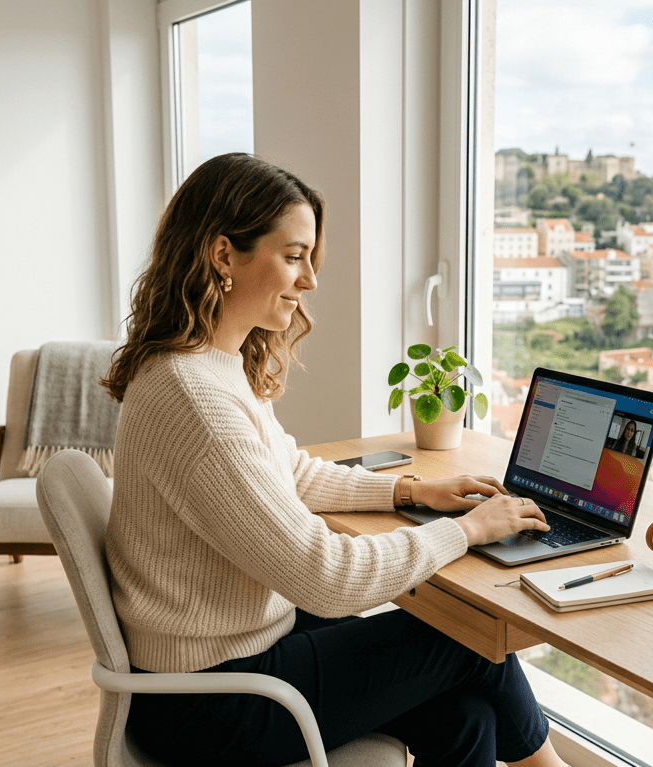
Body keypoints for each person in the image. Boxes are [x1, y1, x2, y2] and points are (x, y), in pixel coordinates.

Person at [101, 152, 570, 767]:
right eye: (294, 257)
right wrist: (469, 530)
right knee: (468, 641)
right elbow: (325, 578)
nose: (310, 280)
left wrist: (408, 493)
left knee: (465, 713)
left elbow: (287, 472)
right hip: (210, 701)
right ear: (223, 255)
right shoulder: (193, 398)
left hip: (233, 655)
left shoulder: (207, 365)